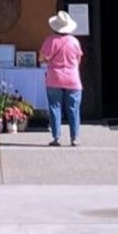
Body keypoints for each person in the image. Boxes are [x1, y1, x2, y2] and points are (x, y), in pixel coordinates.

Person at [39, 10, 84, 146]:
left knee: (55, 107)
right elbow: (78, 60)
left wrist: (49, 60)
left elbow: (41, 58)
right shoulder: (75, 42)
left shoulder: (50, 41)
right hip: (73, 78)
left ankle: (56, 137)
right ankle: (74, 138)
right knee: (73, 108)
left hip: (54, 77)